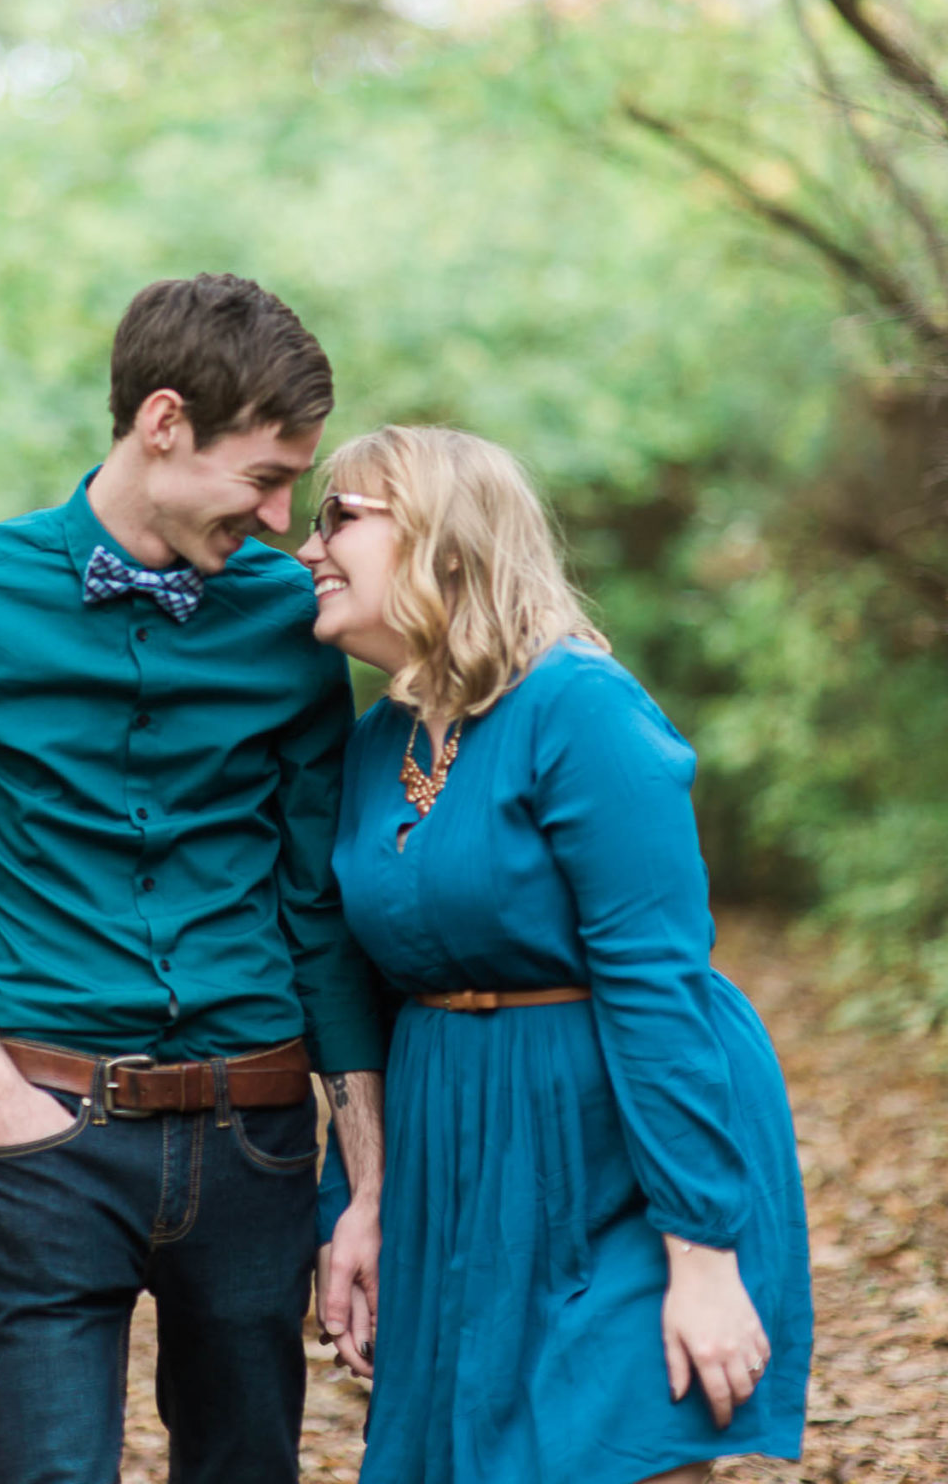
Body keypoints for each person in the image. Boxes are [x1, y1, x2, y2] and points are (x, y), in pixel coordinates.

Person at [0, 273, 390, 1484]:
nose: (279, 518)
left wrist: (366, 1181)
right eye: (263, 476)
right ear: (162, 424)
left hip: (257, 1138)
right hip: (48, 1130)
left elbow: (317, 906)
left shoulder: (292, 624)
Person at [296, 424, 811, 1483]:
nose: (307, 547)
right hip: (454, 1140)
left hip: (612, 1138)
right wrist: (360, 1198)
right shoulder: (375, 746)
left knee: (600, 1441)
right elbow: (358, 984)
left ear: (443, 539)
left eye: (338, 517)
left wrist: (701, 1251)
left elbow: (653, 980)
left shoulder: (581, 710)